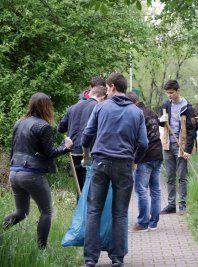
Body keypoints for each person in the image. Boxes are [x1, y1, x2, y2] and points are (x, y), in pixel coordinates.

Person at [81, 72, 148, 267]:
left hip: (100, 162)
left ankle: (90, 260)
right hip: (124, 164)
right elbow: (143, 143)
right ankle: (117, 259)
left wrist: (87, 152)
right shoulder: (136, 112)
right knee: (120, 213)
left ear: (111, 87)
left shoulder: (101, 107)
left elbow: (86, 135)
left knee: (94, 210)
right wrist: (134, 160)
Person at [2, 92, 73, 249]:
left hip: (14, 172)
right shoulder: (43, 126)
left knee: (21, 213)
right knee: (46, 211)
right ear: (45, 107)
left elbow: (12, 149)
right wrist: (66, 147)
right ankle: (42, 249)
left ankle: (1, 232)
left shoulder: (19, 122)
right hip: (32, 174)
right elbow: (50, 153)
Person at [58, 85, 107, 192]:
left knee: (79, 190)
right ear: (103, 97)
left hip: (74, 152)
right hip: (90, 152)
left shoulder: (72, 107)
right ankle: (87, 208)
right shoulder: (98, 108)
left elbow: (60, 128)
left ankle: (79, 208)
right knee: (89, 189)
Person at [125, 92, 163, 232]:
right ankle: (154, 223)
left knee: (141, 190)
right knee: (155, 190)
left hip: (145, 156)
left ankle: (142, 223)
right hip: (158, 154)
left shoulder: (137, 114)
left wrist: (134, 157)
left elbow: (139, 139)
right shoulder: (151, 112)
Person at [158, 80, 196, 215]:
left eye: (171, 93)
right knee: (169, 176)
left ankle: (182, 205)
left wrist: (187, 150)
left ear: (178, 91)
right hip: (168, 144)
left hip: (181, 145)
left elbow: (192, 131)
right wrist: (161, 121)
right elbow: (163, 125)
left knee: (182, 176)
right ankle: (171, 204)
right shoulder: (165, 105)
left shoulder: (188, 107)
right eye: (167, 93)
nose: (169, 95)